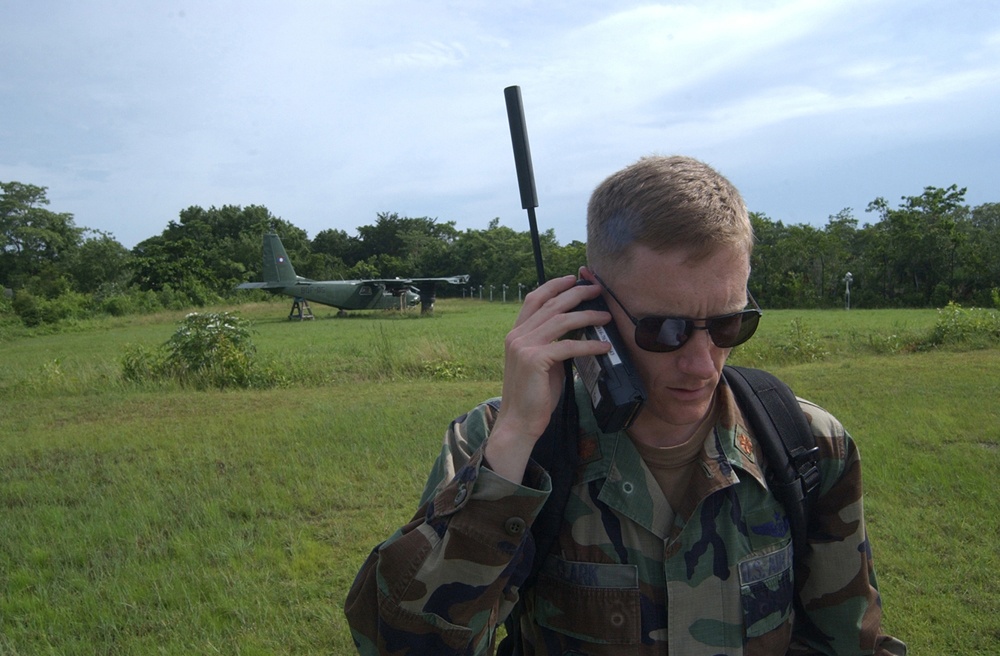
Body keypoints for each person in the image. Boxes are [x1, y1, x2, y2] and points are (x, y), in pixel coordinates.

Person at [344, 155, 906, 655]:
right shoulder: (498, 442)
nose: (703, 363)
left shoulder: (805, 441)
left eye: (730, 323)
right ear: (592, 301)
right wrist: (513, 443)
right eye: (666, 329)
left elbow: (848, 638)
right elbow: (398, 640)